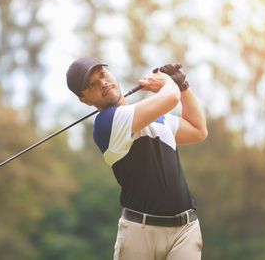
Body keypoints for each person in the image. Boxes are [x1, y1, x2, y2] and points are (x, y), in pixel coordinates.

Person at [66, 57, 207, 260]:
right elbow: (170, 99)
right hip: (140, 234)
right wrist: (168, 83)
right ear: (85, 100)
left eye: (103, 75)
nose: (103, 83)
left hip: (185, 230)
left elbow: (198, 130)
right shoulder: (106, 123)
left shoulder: (156, 118)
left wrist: (183, 86)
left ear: (110, 72)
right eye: (92, 85)